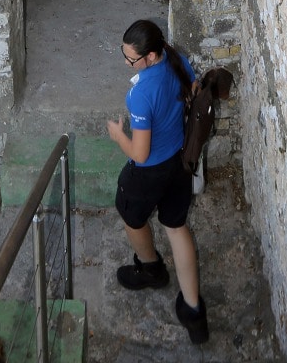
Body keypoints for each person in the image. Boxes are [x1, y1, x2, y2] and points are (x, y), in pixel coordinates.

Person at [108, 18, 207, 344]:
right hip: (179, 163)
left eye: (131, 59)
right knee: (177, 228)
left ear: (150, 55)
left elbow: (140, 152)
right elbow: (194, 88)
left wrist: (118, 135)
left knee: (131, 215)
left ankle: (151, 268)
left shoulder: (140, 94)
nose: (126, 63)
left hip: (149, 172)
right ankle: (193, 310)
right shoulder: (175, 58)